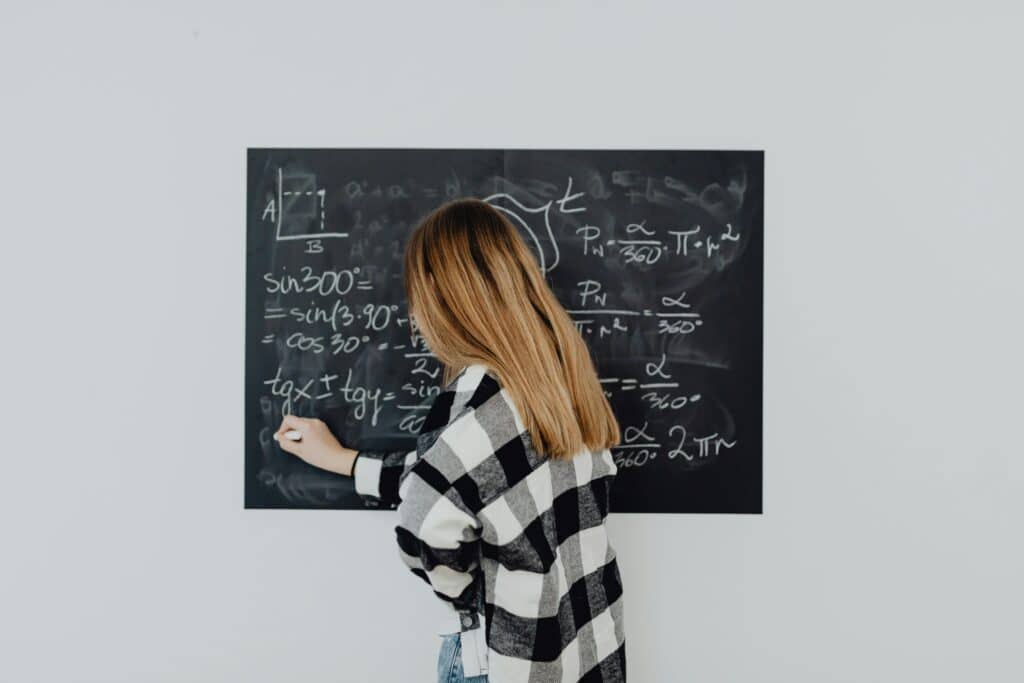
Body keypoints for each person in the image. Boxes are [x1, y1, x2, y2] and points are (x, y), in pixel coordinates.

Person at [274, 197, 627, 682]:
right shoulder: (558, 377)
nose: (414, 317)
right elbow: (474, 479)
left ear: (446, 298)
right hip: (586, 649)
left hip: (508, 661)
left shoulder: (481, 394)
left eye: (417, 296)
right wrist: (347, 462)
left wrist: (467, 595)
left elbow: (423, 523)